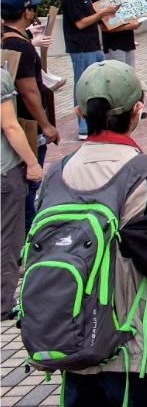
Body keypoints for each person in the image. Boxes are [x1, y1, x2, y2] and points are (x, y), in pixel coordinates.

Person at [32, 60, 147, 406]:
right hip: (142, 356)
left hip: (75, 349)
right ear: (137, 110)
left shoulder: (55, 176)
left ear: (79, 111)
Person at [2, 0, 58, 232]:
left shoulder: (7, 39)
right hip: (27, 126)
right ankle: (25, 241)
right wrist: (46, 125)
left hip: (17, 121)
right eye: (32, 8)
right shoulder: (21, 47)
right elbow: (29, 91)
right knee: (29, 185)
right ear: (26, 12)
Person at [62, 0, 119, 139]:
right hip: (81, 47)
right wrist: (102, 13)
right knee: (84, 84)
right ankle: (84, 126)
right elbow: (80, 23)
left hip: (93, 45)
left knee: (98, 83)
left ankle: (97, 123)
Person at [1, 63, 42, 318]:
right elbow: (10, 126)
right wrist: (32, 162)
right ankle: (3, 303)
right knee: (7, 240)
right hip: (4, 170)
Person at [100, 0, 141, 69]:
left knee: (130, 75)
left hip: (129, 43)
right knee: (117, 76)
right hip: (114, 45)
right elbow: (103, 27)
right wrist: (128, 27)